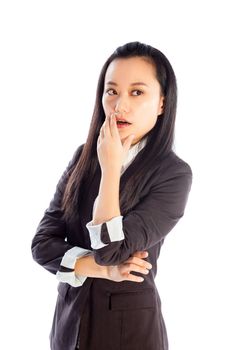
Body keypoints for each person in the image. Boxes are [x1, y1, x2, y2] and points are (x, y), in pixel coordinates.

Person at [31, 41, 193, 350]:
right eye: (112, 91)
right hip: (69, 327)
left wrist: (110, 171)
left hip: (128, 332)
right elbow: (42, 244)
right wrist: (97, 268)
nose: (120, 106)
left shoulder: (173, 174)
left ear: (161, 103)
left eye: (137, 92)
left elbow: (112, 250)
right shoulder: (83, 157)